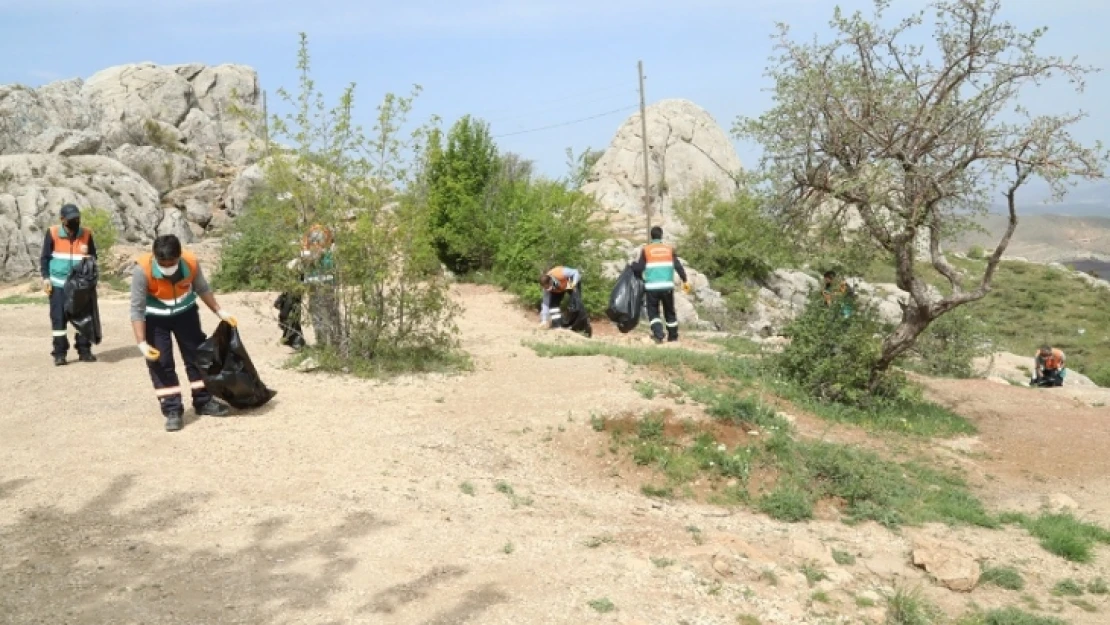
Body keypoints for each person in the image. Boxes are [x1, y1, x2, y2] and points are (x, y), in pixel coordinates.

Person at [130, 234, 235, 432]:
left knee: (197, 357)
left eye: (172, 262)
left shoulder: (190, 262)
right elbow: (136, 308)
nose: (168, 265)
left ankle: (203, 401)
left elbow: (202, 288)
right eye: (163, 262)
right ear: (155, 257)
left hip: (185, 315)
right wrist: (142, 342)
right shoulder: (142, 270)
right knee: (161, 363)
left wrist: (219, 311)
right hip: (155, 320)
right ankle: (172, 410)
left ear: (179, 256)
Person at [40, 204, 97, 366]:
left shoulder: (86, 234)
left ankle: (84, 351)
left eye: (77, 218)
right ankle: (59, 354)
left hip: (80, 286)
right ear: (62, 220)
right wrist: (46, 278)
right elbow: (45, 258)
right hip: (58, 284)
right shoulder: (52, 233)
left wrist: (87, 256)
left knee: (83, 319)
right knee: (59, 320)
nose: (75, 221)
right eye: (72, 219)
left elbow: (93, 259)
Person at [631, 226, 690, 343]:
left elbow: (640, 268)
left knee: (653, 311)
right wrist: (685, 279)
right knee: (669, 311)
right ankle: (673, 336)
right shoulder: (669, 249)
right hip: (667, 287)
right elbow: (678, 266)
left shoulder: (646, 250)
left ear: (651, 236)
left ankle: (658, 334)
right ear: (661, 236)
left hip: (652, 287)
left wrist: (632, 266)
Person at [292, 223, 341, 347]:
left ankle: (325, 343)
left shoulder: (320, 252)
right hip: (325, 283)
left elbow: (311, 258)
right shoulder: (330, 251)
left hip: (319, 283)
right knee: (329, 312)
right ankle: (332, 341)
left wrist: (300, 257)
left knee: (319, 312)